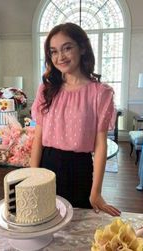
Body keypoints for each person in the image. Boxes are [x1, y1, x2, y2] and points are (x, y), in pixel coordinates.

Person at [31, 22, 121, 216]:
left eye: (67, 48)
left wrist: (96, 192)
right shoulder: (46, 90)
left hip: (79, 169)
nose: (60, 57)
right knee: (44, 223)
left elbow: (100, 145)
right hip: (47, 165)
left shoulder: (100, 92)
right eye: (53, 51)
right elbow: (37, 136)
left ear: (82, 48)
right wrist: (32, 176)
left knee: (78, 228)